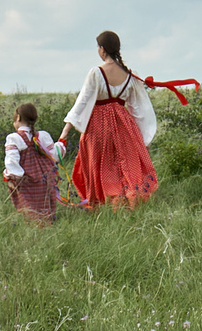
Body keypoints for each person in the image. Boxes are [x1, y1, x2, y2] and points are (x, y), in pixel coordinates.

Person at [59, 30, 158, 208]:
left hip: (98, 125)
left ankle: (104, 203)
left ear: (102, 50)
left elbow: (81, 102)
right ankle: (125, 200)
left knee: (102, 165)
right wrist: (143, 138)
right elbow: (139, 108)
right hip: (123, 124)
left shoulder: (96, 73)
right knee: (123, 164)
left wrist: (65, 131)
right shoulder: (130, 75)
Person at [4, 102, 68, 224]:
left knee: (30, 213)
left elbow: (11, 161)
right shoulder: (42, 136)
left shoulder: (14, 138)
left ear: (18, 118)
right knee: (45, 210)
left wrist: (14, 177)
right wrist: (61, 143)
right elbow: (54, 154)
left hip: (27, 183)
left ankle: (36, 232)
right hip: (45, 180)